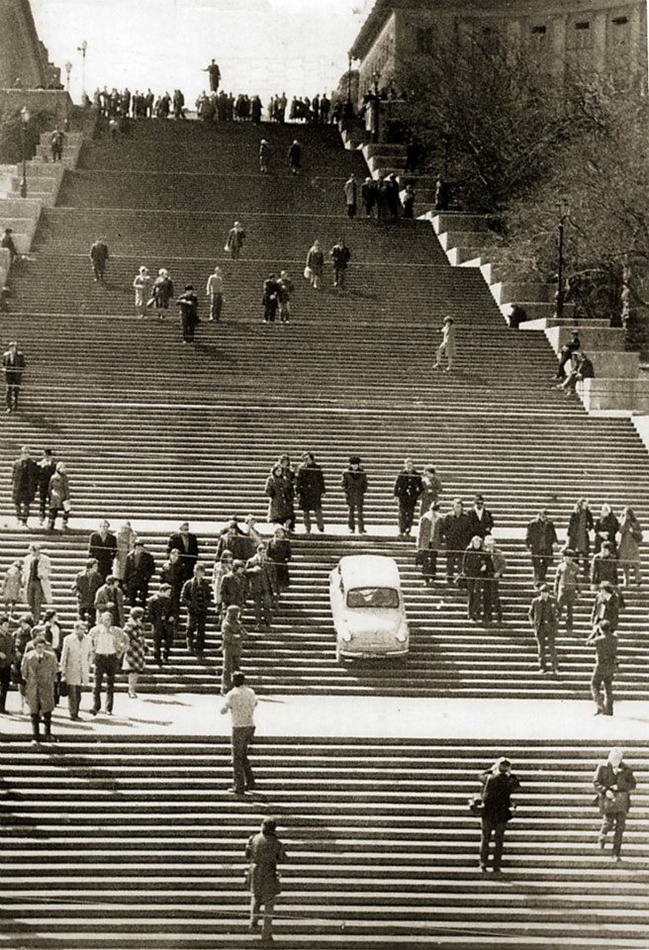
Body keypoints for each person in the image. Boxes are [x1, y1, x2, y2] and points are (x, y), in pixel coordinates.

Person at [245, 817, 286, 943]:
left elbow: (247, 855)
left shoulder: (253, 838)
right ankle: (266, 933)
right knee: (269, 902)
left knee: (256, 897)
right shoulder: (277, 843)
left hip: (255, 871)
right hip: (269, 872)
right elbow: (282, 858)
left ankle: (253, 922)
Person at [478, 757, 521, 873]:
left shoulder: (489, 778)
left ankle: (483, 863)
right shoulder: (509, 780)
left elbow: (480, 776)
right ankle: (496, 865)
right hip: (502, 814)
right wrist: (510, 773)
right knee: (499, 840)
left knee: (485, 839)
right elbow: (517, 784)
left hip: (488, 813)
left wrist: (492, 769)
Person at [593, 748, 636, 861]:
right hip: (608, 801)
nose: (615, 761)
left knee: (620, 828)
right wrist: (605, 790)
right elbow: (596, 782)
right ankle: (602, 836)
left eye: (617, 759)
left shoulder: (626, 769)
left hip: (621, 802)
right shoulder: (602, 767)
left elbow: (632, 784)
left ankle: (615, 853)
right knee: (608, 823)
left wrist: (620, 786)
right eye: (613, 759)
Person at [221, 671, 258, 795]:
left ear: (234, 681)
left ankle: (239, 785)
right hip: (250, 725)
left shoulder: (232, 694)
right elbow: (256, 703)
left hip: (238, 726)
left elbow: (223, 710)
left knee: (237, 757)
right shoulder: (250, 692)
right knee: (243, 755)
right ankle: (251, 782)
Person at [21, 633, 59, 743]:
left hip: (46, 687)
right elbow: (24, 672)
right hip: (33, 688)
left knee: (47, 712)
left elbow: (55, 670)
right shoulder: (28, 657)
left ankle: (47, 734)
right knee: (34, 712)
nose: (41, 649)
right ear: (34, 647)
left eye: (43, 647)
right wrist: (31, 681)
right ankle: (35, 736)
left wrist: (49, 680)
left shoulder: (51, 657)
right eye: (38, 647)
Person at [89, 608, 125, 716]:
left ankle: (108, 708)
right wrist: (91, 657)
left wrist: (120, 654)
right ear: (101, 620)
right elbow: (89, 644)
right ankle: (96, 706)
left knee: (110, 684)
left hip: (111, 657)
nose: (106, 621)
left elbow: (126, 642)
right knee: (97, 684)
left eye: (108, 619)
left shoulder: (117, 631)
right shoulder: (95, 631)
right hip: (100, 658)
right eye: (104, 619)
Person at [59, 620, 92, 720]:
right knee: (72, 692)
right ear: (76, 629)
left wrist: (88, 664)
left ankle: (76, 712)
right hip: (71, 668)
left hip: (83, 669)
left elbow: (90, 654)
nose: (83, 631)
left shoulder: (88, 639)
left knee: (78, 693)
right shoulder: (68, 639)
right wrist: (63, 670)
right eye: (80, 629)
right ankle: (73, 714)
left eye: (84, 629)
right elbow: (64, 655)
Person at [587, 620, 618, 716]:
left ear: (600, 629)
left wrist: (593, 632)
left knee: (594, 685)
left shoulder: (598, 640)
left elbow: (587, 642)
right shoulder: (615, 638)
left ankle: (600, 705)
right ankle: (609, 709)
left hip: (601, 665)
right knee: (608, 687)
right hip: (611, 665)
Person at [528, 584, 559, 675]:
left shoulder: (553, 600)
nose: (544, 595)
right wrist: (532, 623)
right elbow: (530, 613)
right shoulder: (536, 602)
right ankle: (542, 667)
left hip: (550, 626)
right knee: (541, 648)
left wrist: (557, 620)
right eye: (542, 593)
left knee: (552, 647)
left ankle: (554, 667)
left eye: (546, 593)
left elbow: (559, 610)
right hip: (540, 626)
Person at [181, 563, 211, 655]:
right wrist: (190, 605)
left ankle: (200, 647)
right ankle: (189, 646)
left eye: (200, 571)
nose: (198, 573)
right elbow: (183, 597)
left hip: (202, 610)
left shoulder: (205, 584)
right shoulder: (188, 583)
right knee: (190, 627)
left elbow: (209, 596)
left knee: (201, 629)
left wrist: (206, 604)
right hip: (192, 610)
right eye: (197, 571)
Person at [441, 499, 472, 585]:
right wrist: (448, 537)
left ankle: (460, 579)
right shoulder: (448, 517)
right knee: (450, 561)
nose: (458, 508)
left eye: (459, 506)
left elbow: (469, 530)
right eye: (456, 506)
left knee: (461, 562)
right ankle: (449, 578)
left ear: (462, 507)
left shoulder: (466, 517)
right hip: (451, 543)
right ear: (453, 507)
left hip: (462, 543)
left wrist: (466, 540)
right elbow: (443, 529)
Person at [525, 509, 558, 585]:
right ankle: (538, 580)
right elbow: (528, 535)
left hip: (546, 547)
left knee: (546, 563)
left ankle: (541, 578)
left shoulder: (550, 524)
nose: (544, 518)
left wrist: (555, 541)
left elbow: (553, 534)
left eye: (546, 516)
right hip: (536, 547)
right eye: (543, 516)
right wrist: (528, 544)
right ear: (539, 515)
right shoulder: (533, 523)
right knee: (536, 564)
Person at [393, 458, 423, 539]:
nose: (409, 467)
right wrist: (396, 495)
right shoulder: (401, 474)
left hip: (411, 498)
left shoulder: (416, 475)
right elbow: (397, 485)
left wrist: (416, 495)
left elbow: (420, 487)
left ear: (413, 465)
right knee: (401, 514)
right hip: (403, 497)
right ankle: (401, 530)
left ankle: (408, 530)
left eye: (411, 465)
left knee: (410, 514)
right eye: (407, 465)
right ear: (405, 465)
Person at [295, 452, 325, 533]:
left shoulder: (317, 467)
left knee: (318, 511)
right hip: (305, 492)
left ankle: (321, 527)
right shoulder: (301, 468)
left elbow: (321, 480)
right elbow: (298, 480)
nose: (306, 460)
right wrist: (297, 491)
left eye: (307, 458)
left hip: (315, 492)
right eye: (304, 459)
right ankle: (307, 528)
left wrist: (323, 491)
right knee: (305, 512)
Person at [21, 543, 52, 622]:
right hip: (29, 581)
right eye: (32, 551)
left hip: (39, 582)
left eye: (36, 551)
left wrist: (42, 575)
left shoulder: (45, 559)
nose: (34, 553)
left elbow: (48, 570)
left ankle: (36, 619)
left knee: (37, 601)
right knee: (30, 601)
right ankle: (32, 616)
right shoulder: (27, 559)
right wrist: (23, 579)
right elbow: (25, 570)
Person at [220, 604, 247, 695]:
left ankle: (237, 687)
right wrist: (237, 637)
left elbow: (245, 634)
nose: (237, 615)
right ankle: (226, 687)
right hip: (228, 648)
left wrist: (239, 635)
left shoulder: (238, 623)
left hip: (237, 648)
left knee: (237, 668)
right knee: (227, 668)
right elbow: (227, 637)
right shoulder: (226, 623)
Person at [122, 606, 147, 698]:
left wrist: (145, 647)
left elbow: (142, 637)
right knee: (132, 670)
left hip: (139, 650)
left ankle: (132, 688)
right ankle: (131, 689)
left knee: (136, 671)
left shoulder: (140, 625)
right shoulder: (130, 625)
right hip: (132, 650)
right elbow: (126, 637)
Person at [554, 549, 580, 634]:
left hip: (571, 590)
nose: (568, 559)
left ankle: (569, 627)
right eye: (566, 557)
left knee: (570, 609)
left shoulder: (575, 567)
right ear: (564, 558)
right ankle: (555, 624)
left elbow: (577, 580)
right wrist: (555, 589)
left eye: (570, 558)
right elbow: (557, 579)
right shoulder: (560, 566)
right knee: (559, 607)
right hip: (562, 589)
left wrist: (579, 590)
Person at [11, 445, 39, 526]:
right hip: (18, 487)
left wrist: (34, 487)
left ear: (29, 454)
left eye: (26, 453)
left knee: (26, 504)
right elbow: (13, 475)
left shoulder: (33, 464)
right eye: (23, 452)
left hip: (27, 487)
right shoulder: (16, 463)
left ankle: (24, 521)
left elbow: (36, 476)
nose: (24, 454)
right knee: (16, 503)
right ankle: (19, 517)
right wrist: (13, 484)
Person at [148, 584, 175, 667]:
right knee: (157, 641)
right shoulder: (153, 600)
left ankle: (165, 656)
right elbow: (150, 613)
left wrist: (172, 617)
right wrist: (155, 621)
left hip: (167, 623)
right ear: (162, 591)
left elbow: (173, 610)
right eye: (168, 592)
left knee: (168, 640)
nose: (169, 593)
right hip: (157, 623)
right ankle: (158, 657)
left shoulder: (169, 600)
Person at [124, 539, 156, 608]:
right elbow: (127, 569)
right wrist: (125, 581)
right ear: (134, 547)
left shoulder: (148, 557)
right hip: (132, 580)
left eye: (141, 546)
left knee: (142, 599)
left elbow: (152, 569)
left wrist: (146, 577)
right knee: (132, 598)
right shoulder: (130, 556)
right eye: (137, 546)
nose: (139, 548)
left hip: (142, 580)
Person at [462, 536, 487, 622]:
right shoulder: (469, 550)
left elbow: (485, 561)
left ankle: (477, 611)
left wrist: (484, 566)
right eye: (475, 543)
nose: (476, 545)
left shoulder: (483, 552)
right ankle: (470, 614)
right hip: (470, 574)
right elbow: (464, 562)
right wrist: (464, 570)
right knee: (471, 594)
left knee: (477, 592)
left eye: (478, 543)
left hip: (478, 574)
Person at [482, 536, 506, 626]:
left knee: (495, 596)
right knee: (486, 596)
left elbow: (503, 564)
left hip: (494, 576)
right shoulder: (483, 552)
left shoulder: (498, 552)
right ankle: (487, 615)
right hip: (486, 576)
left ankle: (499, 615)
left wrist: (499, 572)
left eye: (492, 543)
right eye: (488, 543)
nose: (490, 545)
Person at [71, 558, 102, 626]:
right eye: (95, 566)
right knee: (81, 620)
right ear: (90, 567)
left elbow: (100, 588)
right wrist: (78, 594)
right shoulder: (80, 576)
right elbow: (74, 587)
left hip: (92, 602)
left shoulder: (98, 576)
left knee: (92, 621)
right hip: (83, 601)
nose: (97, 568)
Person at [342, 455, 368, 535]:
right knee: (351, 512)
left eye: (356, 464)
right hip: (350, 494)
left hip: (359, 494)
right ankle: (351, 528)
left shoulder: (362, 473)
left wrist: (362, 491)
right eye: (353, 464)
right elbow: (343, 484)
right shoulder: (346, 473)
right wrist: (346, 491)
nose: (354, 466)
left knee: (360, 512)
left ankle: (361, 528)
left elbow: (365, 484)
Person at [567, 498, 594, 575]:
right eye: (585, 503)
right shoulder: (575, 513)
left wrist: (589, 528)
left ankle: (586, 571)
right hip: (576, 535)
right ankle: (576, 570)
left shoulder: (588, 513)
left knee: (585, 553)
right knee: (576, 554)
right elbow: (571, 524)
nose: (586, 505)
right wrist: (569, 534)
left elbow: (591, 523)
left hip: (584, 534)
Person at [617, 506, 642, 587]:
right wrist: (624, 521)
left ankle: (638, 580)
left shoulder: (635, 522)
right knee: (625, 565)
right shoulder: (622, 521)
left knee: (635, 564)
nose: (626, 516)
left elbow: (640, 535)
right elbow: (621, 530)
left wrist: (633, 531)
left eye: (627, 515)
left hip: (633, 545)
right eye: (624, 514)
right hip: (624, 545)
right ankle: (626, 582)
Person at [265, 464, 295, 528]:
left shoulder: (284, 479)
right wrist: (272, 493)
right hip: (276, 500)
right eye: (277, 471)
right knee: (276, 518)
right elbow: (267, 490)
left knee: (287, 517)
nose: (279, 472)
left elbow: (289, 487)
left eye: (280, 471)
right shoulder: (271, 479)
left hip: (284, 501)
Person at [46, 461, 71, 531]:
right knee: (65, 510)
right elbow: (66, 488)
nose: (64, 469)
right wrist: (68, 497)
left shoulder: (54, 477)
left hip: (56, 497)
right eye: (62, 468)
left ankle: (53, 524)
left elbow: (49, 488)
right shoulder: (62, 477)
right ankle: (61, 524)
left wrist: (50, 495)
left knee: (55, 511)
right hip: (61, 497)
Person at [3, 341, 26, 414]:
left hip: (16, 375)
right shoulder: (5, 355)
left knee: (16, 391)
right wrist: (4, 369)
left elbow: (23, 365)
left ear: (16, 348)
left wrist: (19, 371)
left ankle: (15, 404)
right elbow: (3, 364)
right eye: (11, 348)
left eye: (14, 348)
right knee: (8, 391)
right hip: (9, 375)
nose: (12, 349)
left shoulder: (20, 355)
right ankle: (9, 407)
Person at [37, 448, 57, 526]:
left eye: (48, 456)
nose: (46, 457)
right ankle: (41, 518)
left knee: (51, 503)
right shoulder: (40, 465)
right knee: (42, 502)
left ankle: (50, 519)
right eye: (45, 455)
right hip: (43, 486)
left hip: (51, 486)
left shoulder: (54, 465)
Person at [0, 614, 15, 714]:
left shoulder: (10, 637)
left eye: (7, 625)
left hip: (6, 665)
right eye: (4, 625)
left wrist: (12, 659)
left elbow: (13, 650)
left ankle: (2, 707)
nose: (6, 627)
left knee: (5, 687)